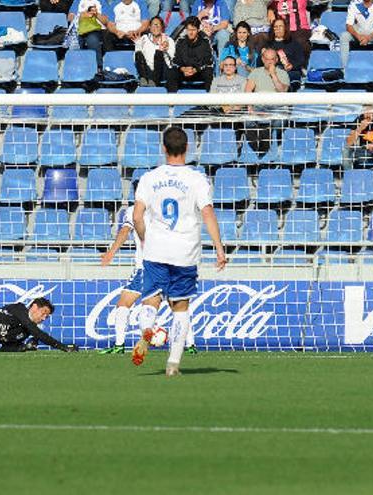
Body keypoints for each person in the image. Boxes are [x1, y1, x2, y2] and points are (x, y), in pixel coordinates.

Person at [131, 127, 227, 376]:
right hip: (185, 252)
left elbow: (137, 216)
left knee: (151, 299)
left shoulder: (149, 178)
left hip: (156, 249)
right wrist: (219, 248)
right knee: (180, 307)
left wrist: (144, 239)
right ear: (187, 148)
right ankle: (173, 365)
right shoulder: (197, 179)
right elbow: (207, 213)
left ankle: (147, 330)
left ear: (163, 148)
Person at [99, 192, 197, 355]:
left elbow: (124, 231)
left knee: (124, 304)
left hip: (147, 267)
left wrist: (111, 252)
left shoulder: (134, 211)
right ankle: (190, 345)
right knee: (177, 307)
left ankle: (119, 344)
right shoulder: (167, 210)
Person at [166, 17, 213, 92]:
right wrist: (183, 69)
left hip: (198, 72)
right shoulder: (181, 41)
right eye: (188, 30)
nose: (190, 33)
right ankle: (171, 100)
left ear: (198, 30)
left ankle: (210, 100)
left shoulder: (205, 41)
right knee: (172, 72)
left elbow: (208, 60)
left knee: (208, 71)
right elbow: (175, 60)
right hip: (184, 71)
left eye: (193, 30)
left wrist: (195, 69)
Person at [340, 0, 373, 70]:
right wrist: (358, 36)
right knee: (344, 36)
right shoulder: (354, 3)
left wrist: (369, 37)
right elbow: (349, 25)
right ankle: (344, 69)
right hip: (358, 34)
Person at [264, 17, 304, 90]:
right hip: (274, 72)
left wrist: (292, 65)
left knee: (292, 78)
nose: (278, 29)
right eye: (275, 27)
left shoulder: (294, 43)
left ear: (285, 28)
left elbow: (300, 60)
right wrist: (263, 54)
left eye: (280, 26)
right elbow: (261, 62)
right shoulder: (268, 44)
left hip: (291, 71)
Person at [134, 15, 174, 86]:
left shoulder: (169, 40)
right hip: (147, 71)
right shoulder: (144, 39)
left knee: (158, 53)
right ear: (149, 27)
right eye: (153, 25)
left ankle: (153, 81)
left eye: (158, 25)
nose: (156, 27)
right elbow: (136, 58)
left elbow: (171, 59)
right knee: (138, 54)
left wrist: (164, 50)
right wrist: (138, 45)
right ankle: (144, 79)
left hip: (162, 70)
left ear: (162, 27)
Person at [68, 0, 109, 68]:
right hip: (79, 29)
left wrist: (96, 14)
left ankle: (98, 67)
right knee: (74, 40)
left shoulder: (101, 2)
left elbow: (106, 21)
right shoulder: (77, 1)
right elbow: (69, 17)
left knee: (92, 40)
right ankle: (75, 67)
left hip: (96, 30)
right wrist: (81, 15)